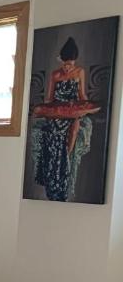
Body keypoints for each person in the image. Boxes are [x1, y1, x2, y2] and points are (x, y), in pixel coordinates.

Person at [32, 37, 100, 201]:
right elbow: (48, 99)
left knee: (73, 128)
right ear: (61, 61)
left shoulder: (80, 72)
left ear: (74, 61)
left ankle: (62, 175)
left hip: (72, 112)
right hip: (57, 112)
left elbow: (82, 95)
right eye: (64, 64)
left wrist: (81, 107)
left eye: (70, 64)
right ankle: (52, 179)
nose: (67, 67)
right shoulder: (55, 74)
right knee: (53, 133)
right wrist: (56, 108)